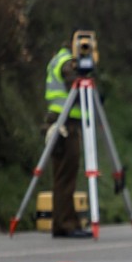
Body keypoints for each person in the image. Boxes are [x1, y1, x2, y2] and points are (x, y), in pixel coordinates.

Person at [43, 34, 91, 239]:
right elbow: (75, 85)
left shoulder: (59, 58)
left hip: (61, 121)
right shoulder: (66, 62)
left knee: (64, 176)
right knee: (65, 177)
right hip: (64, 125)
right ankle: (65, 224)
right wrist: (85, 75)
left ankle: (66, 222)